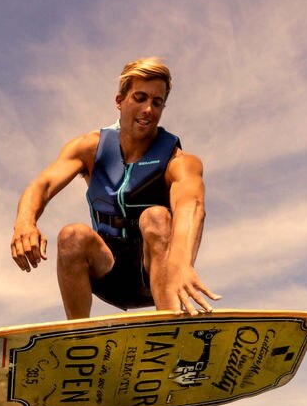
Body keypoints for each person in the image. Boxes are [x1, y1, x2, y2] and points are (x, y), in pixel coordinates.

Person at [11, 56, 221, 318]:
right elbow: (43, 185)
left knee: (155, 216)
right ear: (120, 101)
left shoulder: (177, 160)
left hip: (154, 274)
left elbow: (192, 205)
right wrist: (25, 222)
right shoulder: (90, 147)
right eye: (140, 98)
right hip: (106, 272)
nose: (148, 110)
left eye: (157, 103)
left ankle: (171, 327)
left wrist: (183, 264)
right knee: (72, 235)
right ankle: (80, 339)